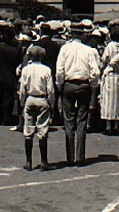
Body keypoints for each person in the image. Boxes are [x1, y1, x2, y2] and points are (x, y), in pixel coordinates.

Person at [55, 23, 100, 166]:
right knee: (81, 121)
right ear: (82, 34)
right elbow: (95, 72)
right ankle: (80, 157)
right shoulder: (89, 50)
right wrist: (93, 85)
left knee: (69, 121)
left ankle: (70, 156)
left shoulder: (64, 49)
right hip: (84, 85)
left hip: (68, 84)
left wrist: (60, 85)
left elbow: (59, 70)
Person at [18, 46, 54, 171]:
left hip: (30, 98)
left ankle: (28, 161)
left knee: (28, 130)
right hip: (42, 98)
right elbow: (50, 89)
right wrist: (51, 103)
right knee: (42, 131)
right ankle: (44, 161)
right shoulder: (46, 70)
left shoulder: (26, 69)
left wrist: (22, 102)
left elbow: (22, 88)